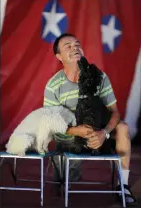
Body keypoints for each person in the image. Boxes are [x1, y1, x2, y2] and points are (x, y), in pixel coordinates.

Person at [43, 33, 137, 205]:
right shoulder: (53, 85)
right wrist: (75, 130)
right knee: (63, 182)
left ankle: (122, 186)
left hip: (99, 134)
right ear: (59, 56)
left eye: (77, 44)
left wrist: (105, 133)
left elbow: (115, 112)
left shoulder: (99, 77)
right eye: (68, 46)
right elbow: (50, 122)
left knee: (122, 128)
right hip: (70, 137)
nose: (75, 47)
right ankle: (63, 174)